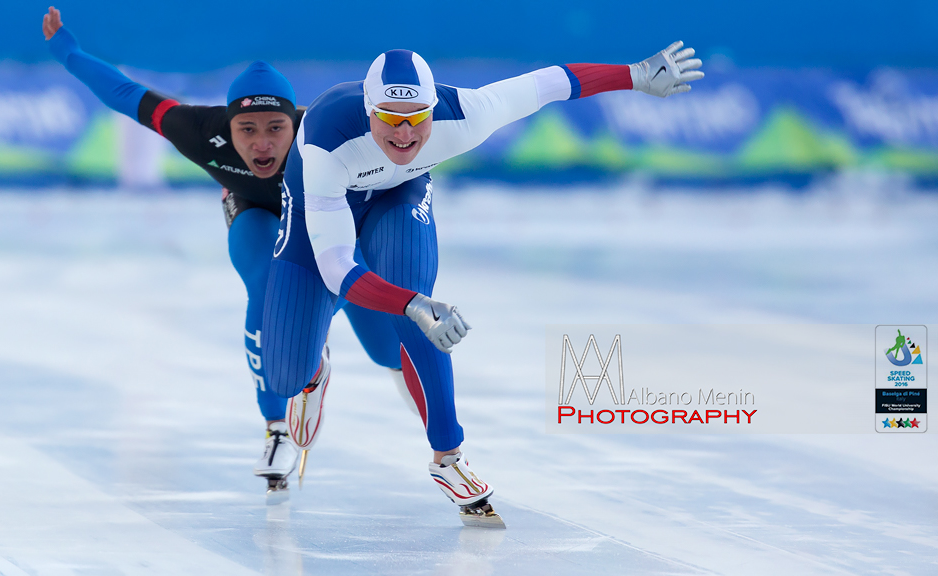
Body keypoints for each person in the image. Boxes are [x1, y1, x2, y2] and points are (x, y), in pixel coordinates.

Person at [263, 45, 703, 525]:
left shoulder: (467, 114)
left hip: (399, 196)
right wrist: (407, 304)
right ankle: (311, 373)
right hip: (322, 204)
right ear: (370, 111)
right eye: (390, 118)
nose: (405, 133)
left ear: (435, 109)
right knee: (284, 375)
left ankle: (448, 459)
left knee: (421, 305)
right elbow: (336, 269)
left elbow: (551, 82)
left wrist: (635, 75)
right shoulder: (326, 143)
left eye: (417, 117)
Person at [41, 6, 405, 496]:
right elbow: (124, 94)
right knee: (264, 284)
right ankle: (276, 428)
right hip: (252, 212)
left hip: (323, 218)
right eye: (247, 129)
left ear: (294, 124)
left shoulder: (324, 132)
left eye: (275, 127)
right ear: (227, 126)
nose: (261, 143)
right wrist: (67, 50)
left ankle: (439, 444)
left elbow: (411, 121)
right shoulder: (196, 127)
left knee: (388, 351)